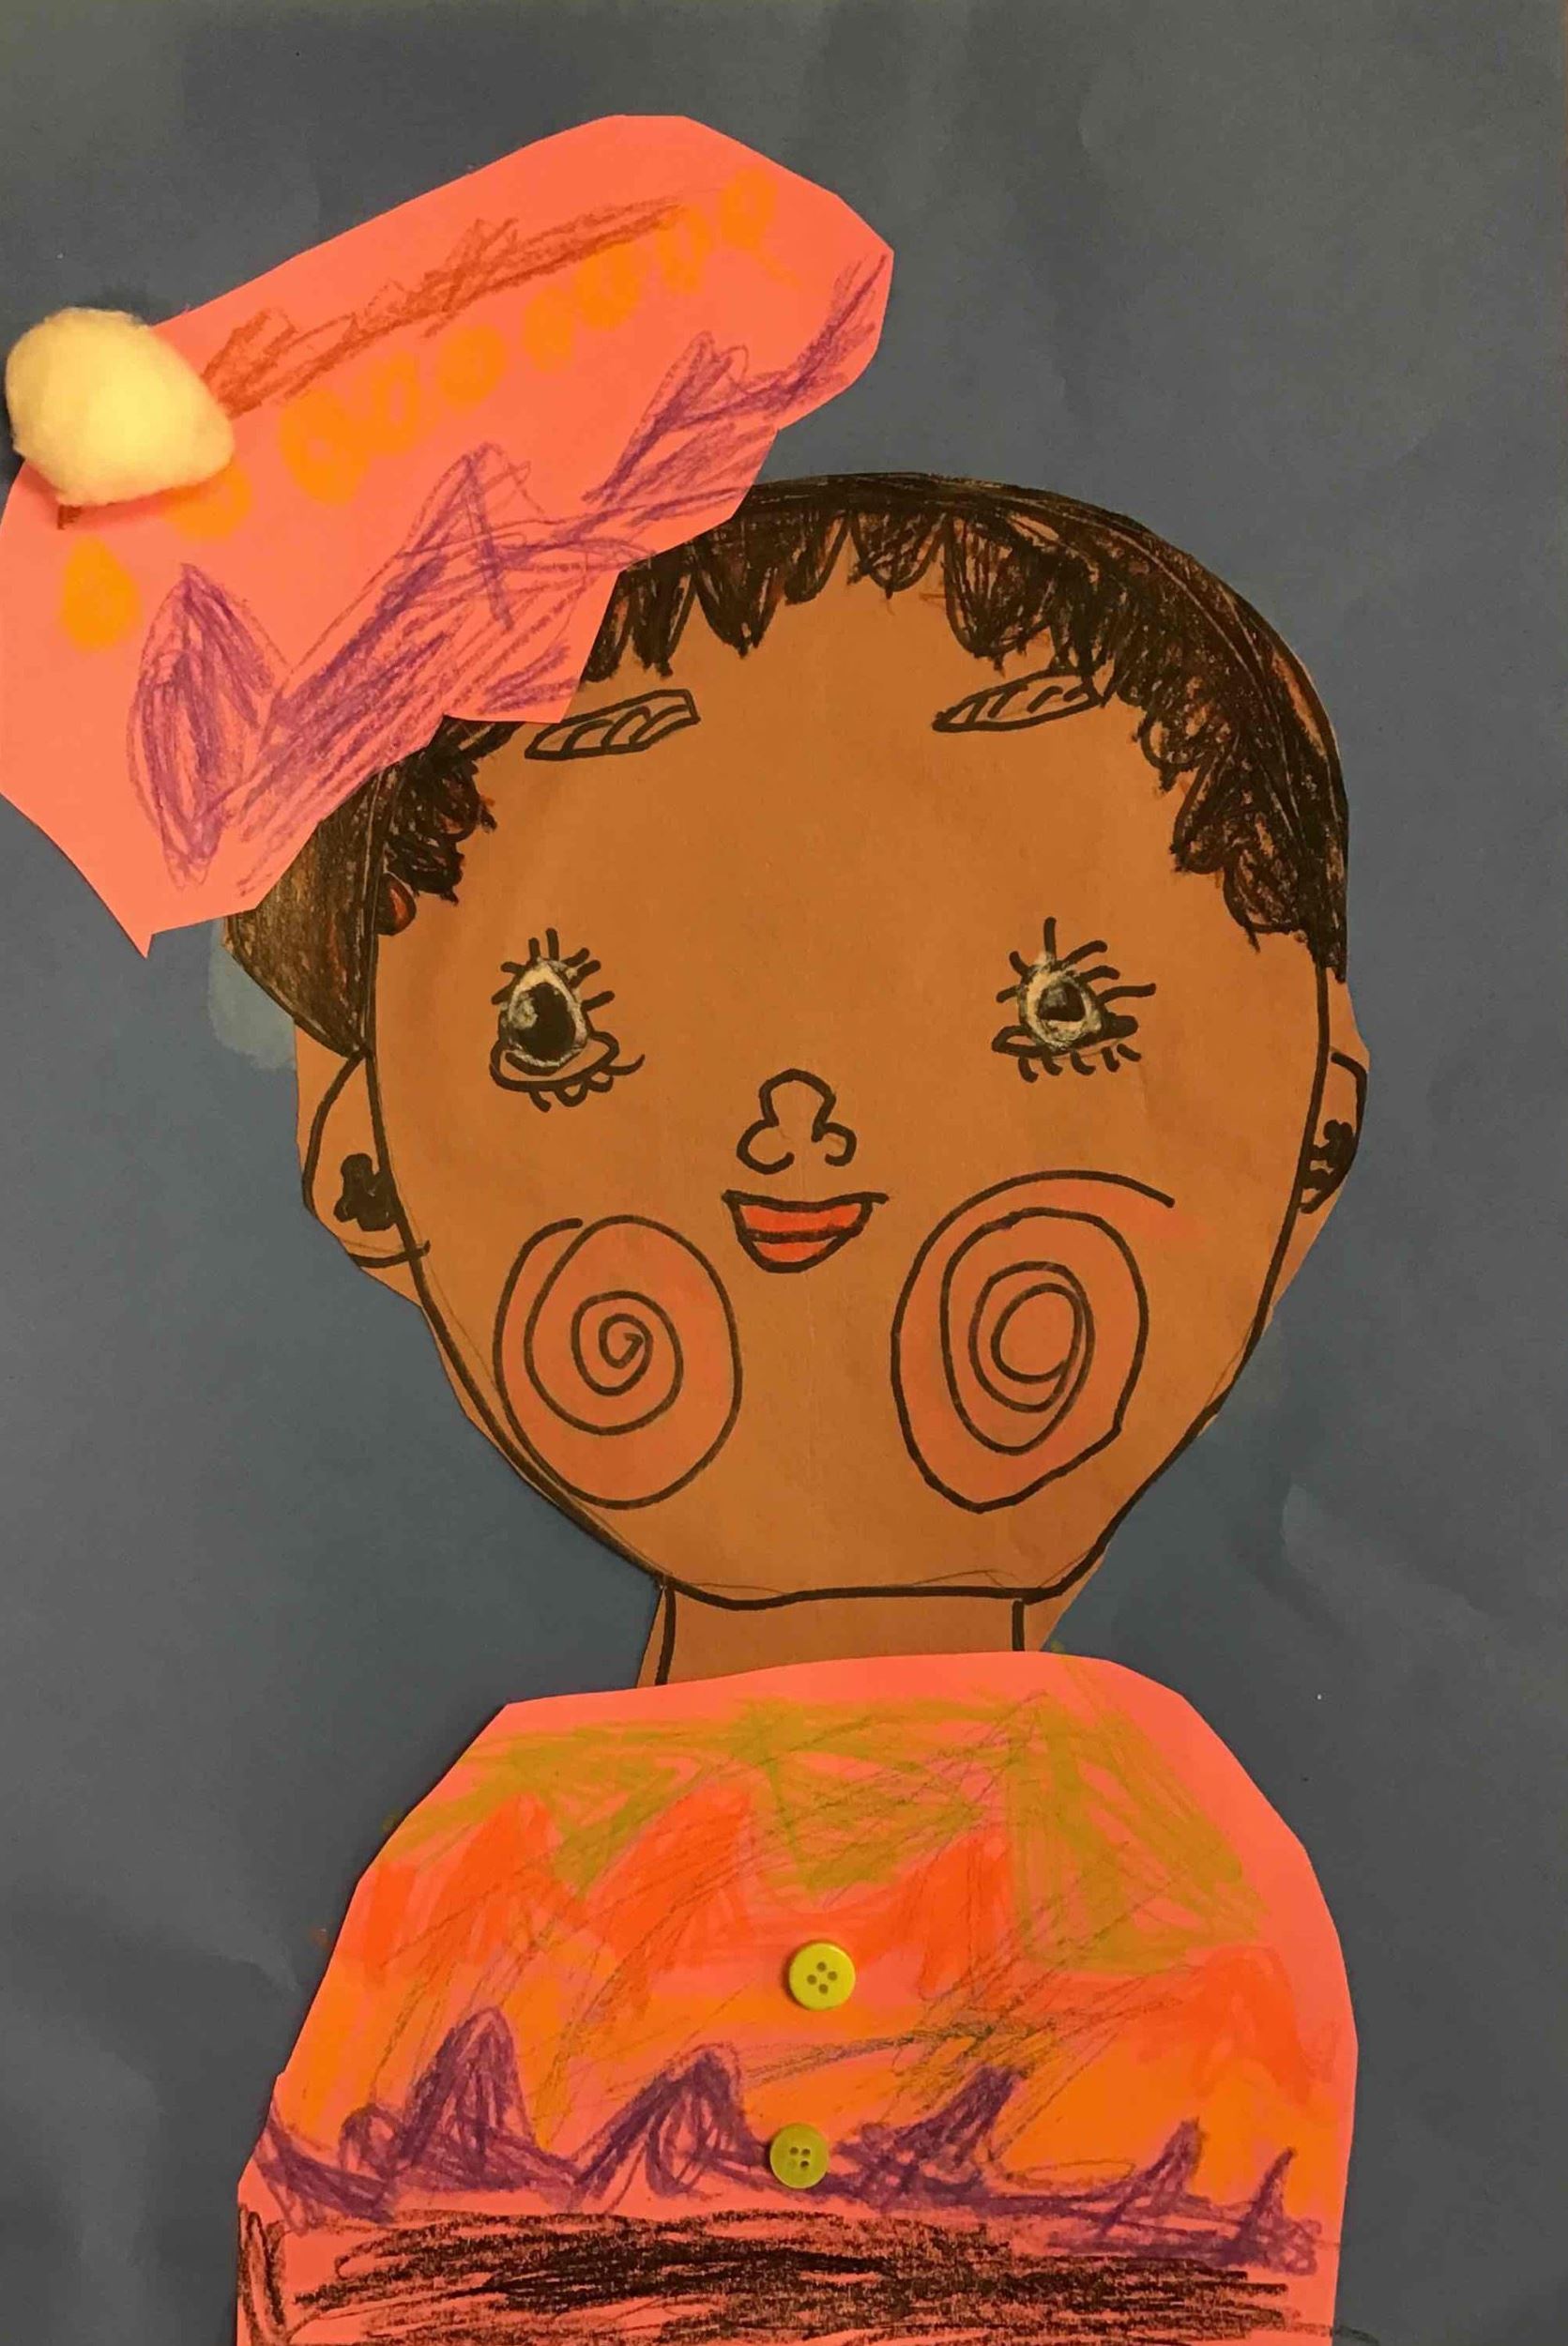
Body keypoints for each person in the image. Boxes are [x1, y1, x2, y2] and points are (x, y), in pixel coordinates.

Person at [226, 471, 1365, 2344]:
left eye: (1056, 1014)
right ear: (361, 1157)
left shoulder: (1161, 1883)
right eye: (562, 1027)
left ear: (1309, 1131)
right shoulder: (485, 1870)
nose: (798, 1135)